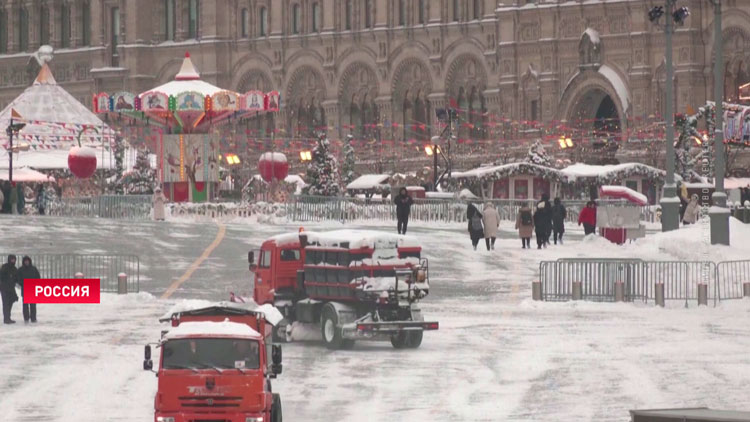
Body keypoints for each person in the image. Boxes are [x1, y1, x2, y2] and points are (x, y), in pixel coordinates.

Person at [15, 256, 39, 323]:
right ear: (23, 262)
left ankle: (33, 318)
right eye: (25, 261)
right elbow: (18, 278)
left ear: (29, 261)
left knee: (33, 304)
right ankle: (26, 318)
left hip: (32, 288)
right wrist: (23, 283)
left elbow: (38, 277)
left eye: (27, 261)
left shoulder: (33, 269)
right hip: (25, 288)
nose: (26, 262)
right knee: (25, 304)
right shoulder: (20, 270)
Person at [0, 255, 19, 324]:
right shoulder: (4, 267)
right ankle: (6, 319)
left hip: (11, 288)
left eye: (14, 259)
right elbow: (1, 276)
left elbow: (17, 278)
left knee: (10, 302)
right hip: (4, 288)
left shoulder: (14, 269)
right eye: (12, 259)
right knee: (6, 304)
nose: (13, 261)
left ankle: (8, 317)